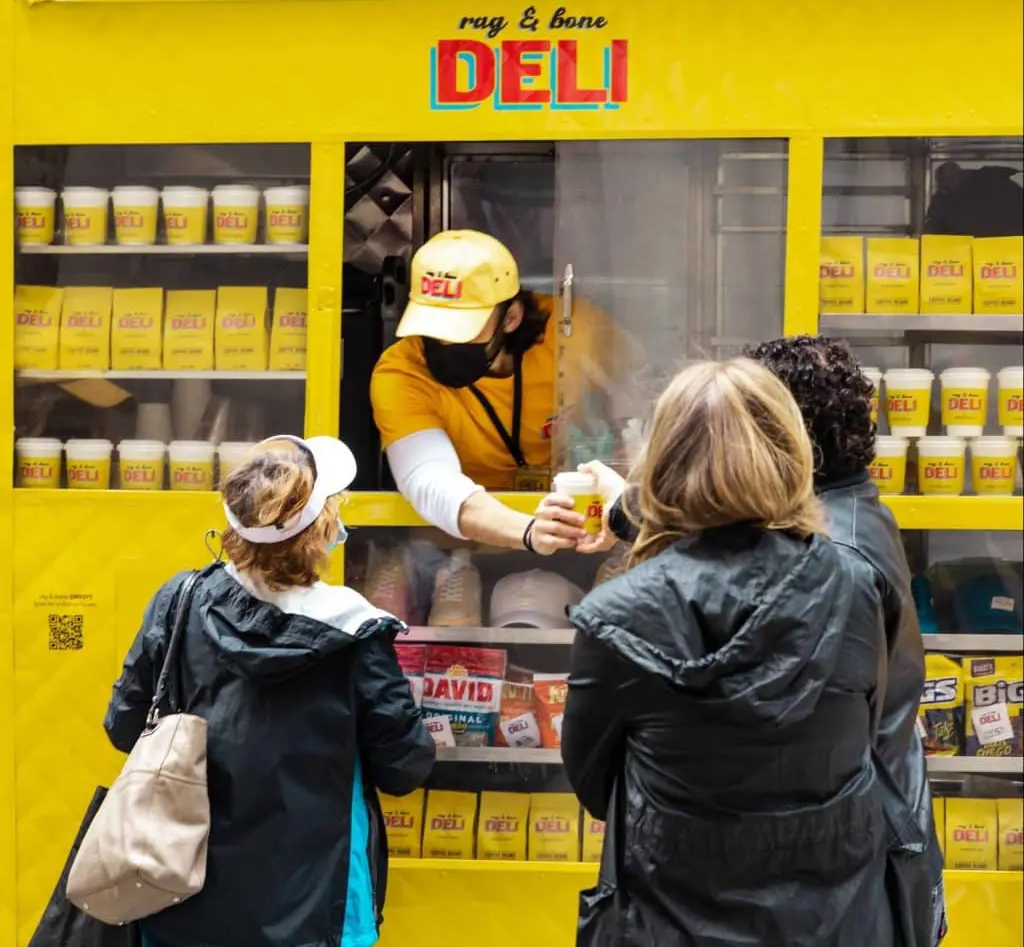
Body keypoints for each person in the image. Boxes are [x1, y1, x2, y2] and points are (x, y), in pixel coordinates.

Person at [561, 358, 894, 947]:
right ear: (791, 455)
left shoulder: (615, 615)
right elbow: (861, 736)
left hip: (671, 916)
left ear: (659, 463)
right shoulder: (854, 585)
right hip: (836, 919)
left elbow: (595, 788)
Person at [104, 435, 435, 947]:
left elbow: (124, 726)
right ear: (324, 526)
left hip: (178, 893)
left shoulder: (181, 600)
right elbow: (403, 767)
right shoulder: (357, 632)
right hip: (317, 909)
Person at [746, 334, 946, 947]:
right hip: (864, 841)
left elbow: (803, 734)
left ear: (783, 434)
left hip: (850, 868)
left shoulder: (832, 552)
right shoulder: (845, 507)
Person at [370, 229, 586, 554]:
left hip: (575, 532)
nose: (444, 343)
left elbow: (642, 400)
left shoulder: (575, 331)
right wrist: (528, 532)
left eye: (460, 330)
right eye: (433, 325)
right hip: (457, 545)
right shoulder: (401, 371)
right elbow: (428, 477)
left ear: (510, 318)